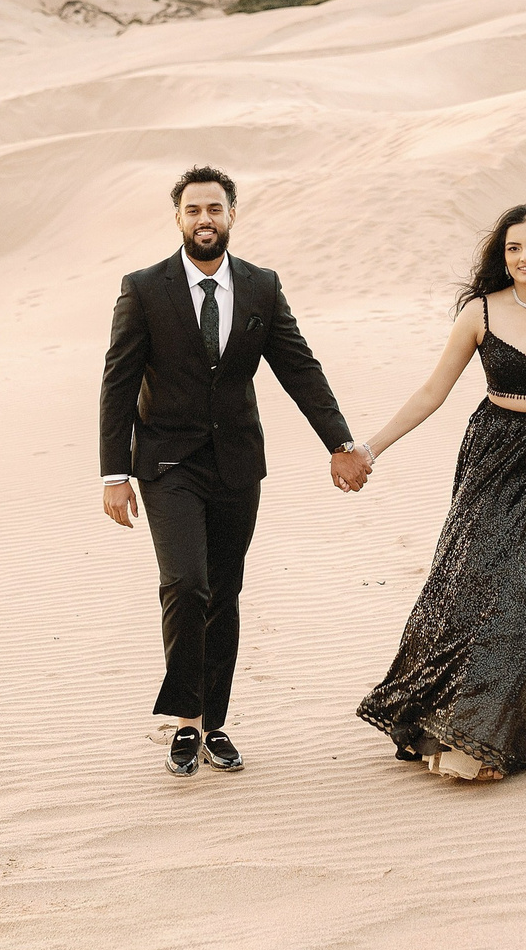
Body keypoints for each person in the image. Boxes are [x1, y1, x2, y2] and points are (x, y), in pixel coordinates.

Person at [99, 164, 372, 777]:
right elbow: (118, 384)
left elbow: (298, 368)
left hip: (238, 466)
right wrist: (114, 474)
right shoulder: (143, 288)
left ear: (231, 215)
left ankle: (213, 723)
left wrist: (341, 442)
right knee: (186, 584)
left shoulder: (260, 287)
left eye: (215, 209)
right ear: (178, 218)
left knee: (225, 593)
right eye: (193, 210)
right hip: (168, 463)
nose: (204, 219)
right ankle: (184, 721)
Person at [354, 203, 526, 781]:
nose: (525, 257)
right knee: (474, 584)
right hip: (493, 458)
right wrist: (371, 448)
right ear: (502, 256)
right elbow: (431, 392)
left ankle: (497, 733)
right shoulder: (478, 312)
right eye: (514, 248)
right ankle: (448, 716)